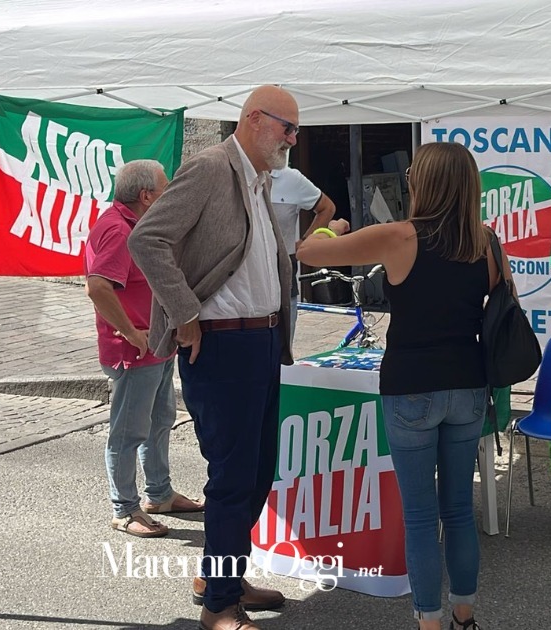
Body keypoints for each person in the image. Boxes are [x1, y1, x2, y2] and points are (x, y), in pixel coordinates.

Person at [298, 142, 506, 630]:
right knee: (458, 509)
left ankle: (428, 621)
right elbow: (501, 310)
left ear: (423, 184)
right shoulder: (487, 242)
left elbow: (307, 253)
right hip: (468, 385)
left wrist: (333, 226)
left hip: (410, 384)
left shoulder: (397, 237)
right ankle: (464, 614)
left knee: (419, 515)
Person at [128, 85, 296, 630]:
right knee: (232, 477)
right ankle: (217, 606)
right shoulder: (209, 167)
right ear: (251, 119)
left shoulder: (259, 179)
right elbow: (147, 240)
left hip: (262, 342)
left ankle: (223, 576)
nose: (292, 139)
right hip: (223, 343)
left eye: (296, 131)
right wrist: (185, 314)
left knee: (258, 472)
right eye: (285, 128)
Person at [85, 160, 204, 539]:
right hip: (135, 351)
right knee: (128, 432)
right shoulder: (118, 230)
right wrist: (132, 334)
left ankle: (159, 494)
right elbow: (98, 286)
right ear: (146, 195)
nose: (169, 193)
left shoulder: (135, 225)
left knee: (159, 421)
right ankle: (124, 509)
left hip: (156, 347)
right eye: (164, 188)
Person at [268, 166, 335, 344]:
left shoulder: (290, 178)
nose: (290, 141)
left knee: (281, 345)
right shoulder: (237, 173)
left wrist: (305, 241)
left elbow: (327, 208)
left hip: (282, 269)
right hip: (245, 272)